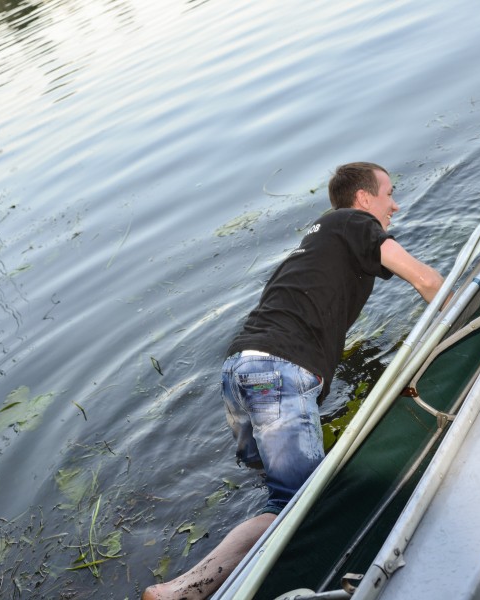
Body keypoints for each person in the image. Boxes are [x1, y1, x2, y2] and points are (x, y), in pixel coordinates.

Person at [142, 162, 443, 600]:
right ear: (363, 198)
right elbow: (427, 280)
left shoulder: (321, 238)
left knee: (281, 498)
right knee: (301, 505)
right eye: (388, 193)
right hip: (278, 373)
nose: (394, 204)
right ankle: (188, 590)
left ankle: (201, 587)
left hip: (240, 370)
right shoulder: (355, 222)